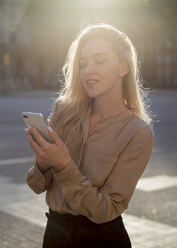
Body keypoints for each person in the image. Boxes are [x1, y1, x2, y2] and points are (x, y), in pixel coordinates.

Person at [25, 23, 155, 248]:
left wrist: (64, 165)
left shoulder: (138, 133)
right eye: (83, 63)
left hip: (101, 239)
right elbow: (36, 185)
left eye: (100, 61)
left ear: (123, 68)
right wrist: (44, 162)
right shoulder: (63, 111)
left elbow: (106, 210)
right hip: (54, 235)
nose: (88, 71)